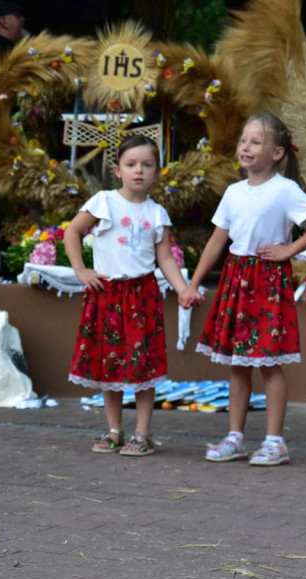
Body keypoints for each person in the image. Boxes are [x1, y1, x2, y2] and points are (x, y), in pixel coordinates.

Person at [183, 112, 306, 466]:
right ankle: (235, 436)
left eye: (255, 141)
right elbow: (216, 242)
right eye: (243, 141)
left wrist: (289, 250)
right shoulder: (234, 193)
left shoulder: (285, 190)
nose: (245, 147)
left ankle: (274, 441)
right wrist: (192, 283)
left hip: (267, 281)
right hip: (236, 280)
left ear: (277, 153)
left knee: (269, 363)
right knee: (237, 363)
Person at [64, 135, 199, 456]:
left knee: (142, 365)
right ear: (118, 170)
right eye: (131, 164)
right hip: (107, 294)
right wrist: (81, 270)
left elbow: (165, 257)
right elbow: (72, 231)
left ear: (157, 172)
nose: (139, 171)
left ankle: (142, 433)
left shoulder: (157, 213)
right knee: (108, 364)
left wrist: (183, 289)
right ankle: (114, 430)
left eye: (147, 165)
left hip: (142, 296)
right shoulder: (104, 201)